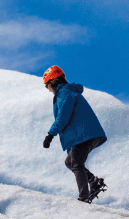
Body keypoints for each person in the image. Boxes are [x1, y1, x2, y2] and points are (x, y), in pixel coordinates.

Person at [41, 66, 107, 203]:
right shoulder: (67, 92)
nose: (49, 90)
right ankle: (94, 182)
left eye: (47, 86)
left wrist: (50, 135)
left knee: (76, 163)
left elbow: (63, 117)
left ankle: (84, 197)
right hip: (85, 134)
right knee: (70, 162)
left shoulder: (64, 93)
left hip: (85, 134)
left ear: (53, 82)